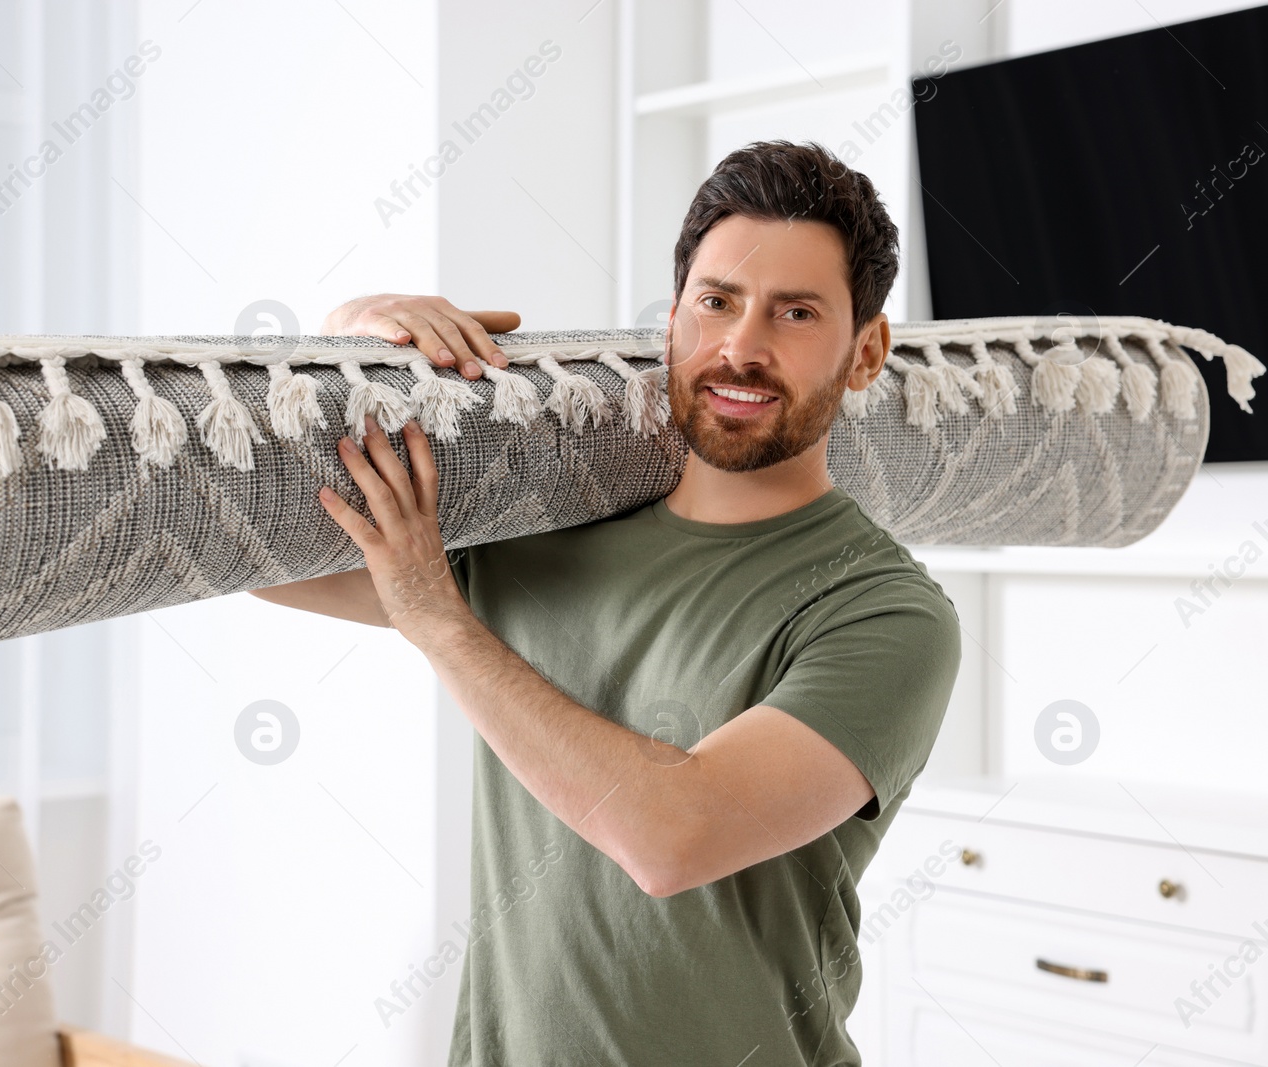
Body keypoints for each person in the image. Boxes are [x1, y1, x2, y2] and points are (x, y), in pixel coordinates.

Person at [251, 139, 962, 1067]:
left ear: (865, 351)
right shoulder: (537, 537)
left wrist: (437, 619)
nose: (740, 348)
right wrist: (348, 337)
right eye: (717, 302)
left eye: (795, 312)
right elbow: (262, 559)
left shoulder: (887, 614)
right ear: (672, 320)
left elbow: (675, 834)